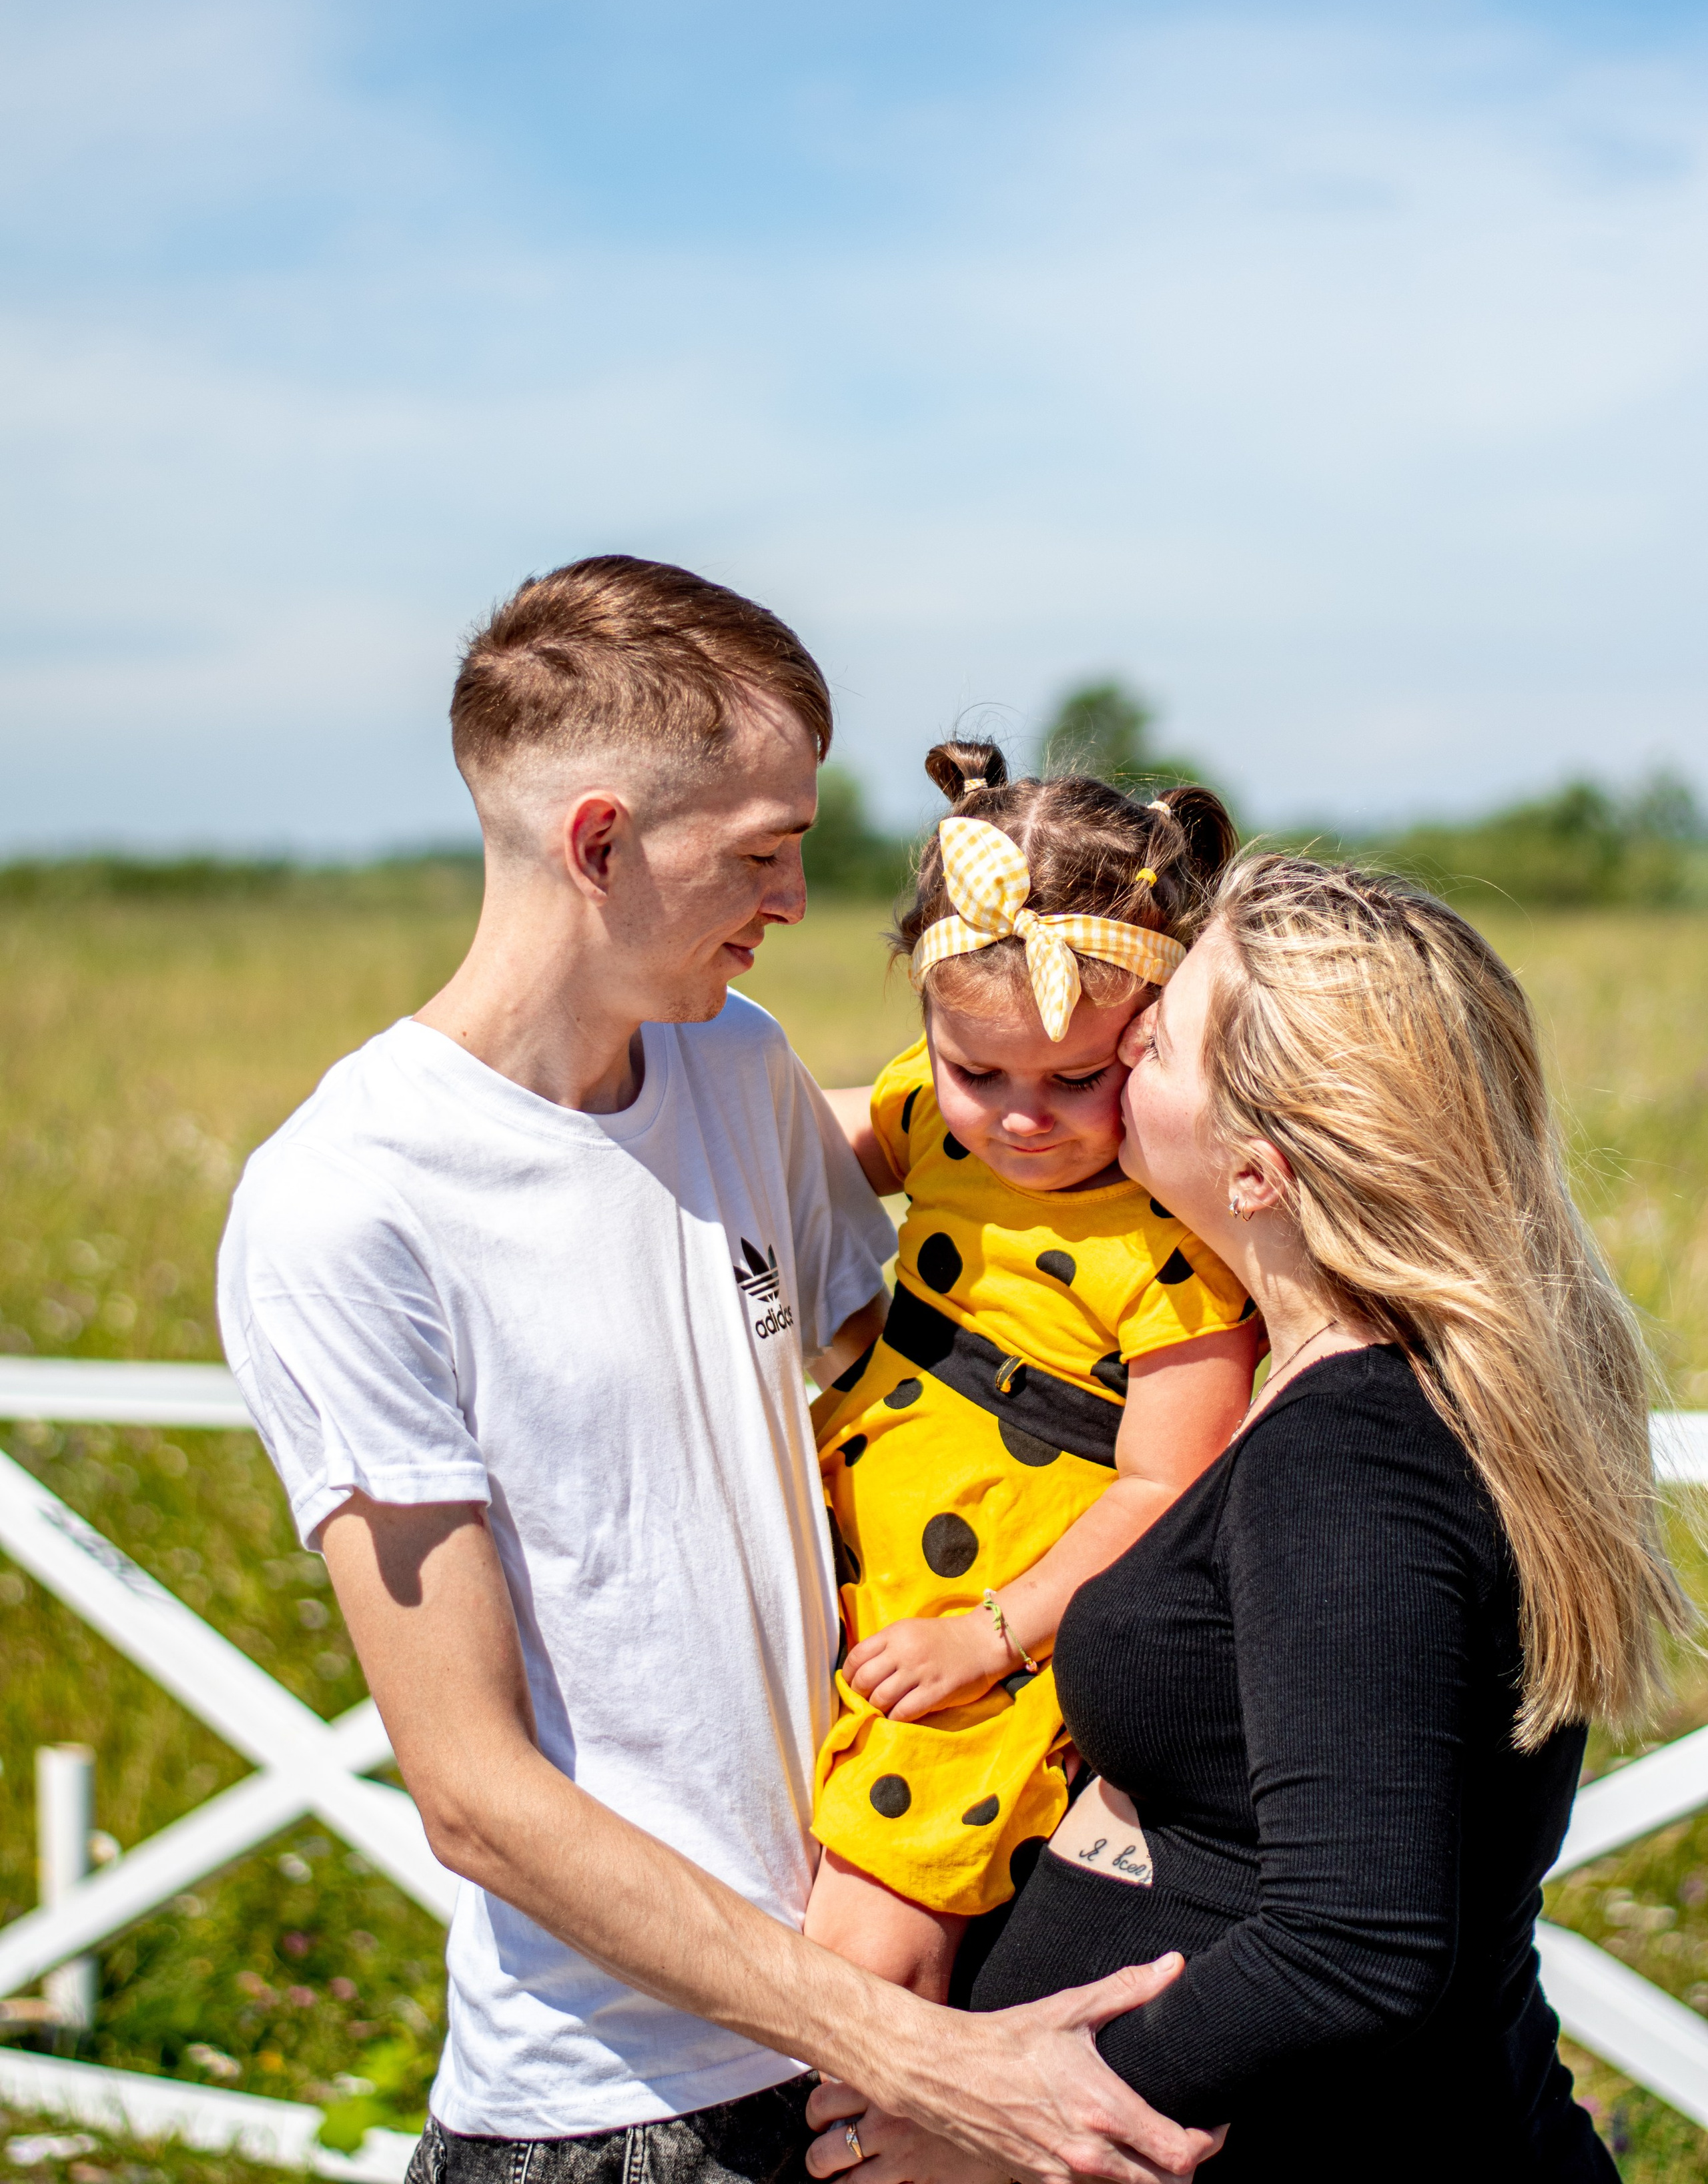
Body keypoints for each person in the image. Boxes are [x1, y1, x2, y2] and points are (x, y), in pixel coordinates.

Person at [218, 556, 1222, 2184]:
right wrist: (914, 2050)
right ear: (599, 842)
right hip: (627, 2112)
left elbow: (936, 1400)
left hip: (894, 2022)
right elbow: (472, 1794)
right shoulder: (350, 1203)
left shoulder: (733, 1067)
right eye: (761, 853)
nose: (797, 905)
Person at [806, 852, 1689, 2183]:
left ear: (1260, 1169)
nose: (1100, 1075)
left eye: (1145, 1050)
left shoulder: (1352, 1452)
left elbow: (1354, 1942)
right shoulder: (1357, 1400)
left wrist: (1023, 2116)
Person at [805, 742, 1260, 2001]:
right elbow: (782, 1136)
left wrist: (991, 1638)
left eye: (1077, 1079)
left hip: (992, 1629)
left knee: (869, 1956)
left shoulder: (1175, 1241)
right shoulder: (928, 1120)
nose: (1020, 1116)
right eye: (976, 1071)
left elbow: (1163, 1489)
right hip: (842, 1575)